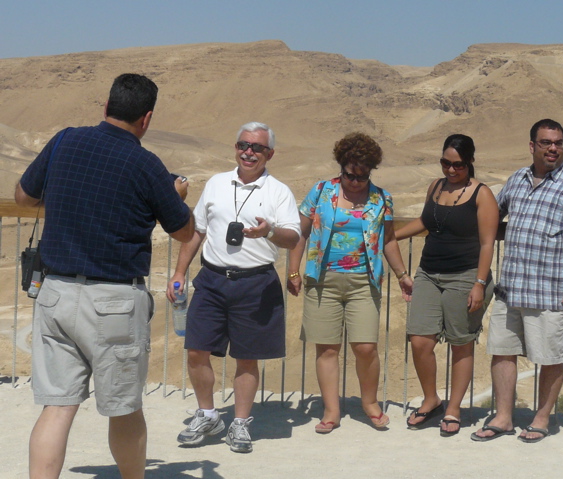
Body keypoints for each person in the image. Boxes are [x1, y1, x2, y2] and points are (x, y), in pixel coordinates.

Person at [15, 73, 194, 479]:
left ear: (106, 107)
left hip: (56, 292)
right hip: (113, 302)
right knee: (124, 408)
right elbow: (183, 230)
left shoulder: (65, 140)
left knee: (58, 407)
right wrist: (175, 197)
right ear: (146, 119)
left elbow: (23, 196)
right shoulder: (146, 164)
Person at [167, 121, 300, 453]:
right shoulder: (215, 183)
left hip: (256, 283)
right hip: (212, 280)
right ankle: (209, 414)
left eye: (257, 148)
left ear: (270, 154)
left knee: (247, 358)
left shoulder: (279, 192)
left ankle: (240, 423)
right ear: (236, 148)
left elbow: (293, 237)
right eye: (243, 145)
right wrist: (179, 272)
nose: (249, 152)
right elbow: (196, 231)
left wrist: (269, 231)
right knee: (196, 350)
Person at [471, 119, 563, 443]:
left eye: (558, 142)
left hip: (551, 291)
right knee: (502, 352)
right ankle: (502, 418)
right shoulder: (517, 179)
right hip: (511, 287)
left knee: (549, 357)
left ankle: (541, 418)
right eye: (546, 142)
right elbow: (495, 215)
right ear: (532, 146)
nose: (553, 148)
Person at [287, 132, 413, 433]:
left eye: (362, 176)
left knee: (366, 347)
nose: (355, 182)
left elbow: (389, 240)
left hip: (363, 282)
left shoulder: (381, 199)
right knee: (327, 348)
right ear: (341, 166)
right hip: (323, 281)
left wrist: (402, 275)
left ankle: (369, 403)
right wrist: (293, 271)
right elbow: (299, 234)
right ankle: (331, 410)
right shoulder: (320, 192)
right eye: (350, 175)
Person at [395, 134, 499, 436]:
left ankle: (453, 409)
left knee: (461, 344)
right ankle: (432, 400)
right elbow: (427, 222)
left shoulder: (482, 194)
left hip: (465, 275)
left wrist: (479, 283)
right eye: (445, 163)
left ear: (470, 163)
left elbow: (487, 243)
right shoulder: (436, 187)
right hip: (428, 272)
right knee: (420, 340)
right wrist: (393, 237)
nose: (451, 170)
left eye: (458, 165)